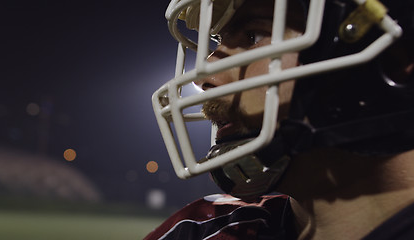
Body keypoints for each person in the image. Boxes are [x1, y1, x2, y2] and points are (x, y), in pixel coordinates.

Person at [147, 0, 414, 239]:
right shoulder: (203, 230)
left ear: (395, 63)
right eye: (219, 43)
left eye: (255, 36)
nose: (205, 80)